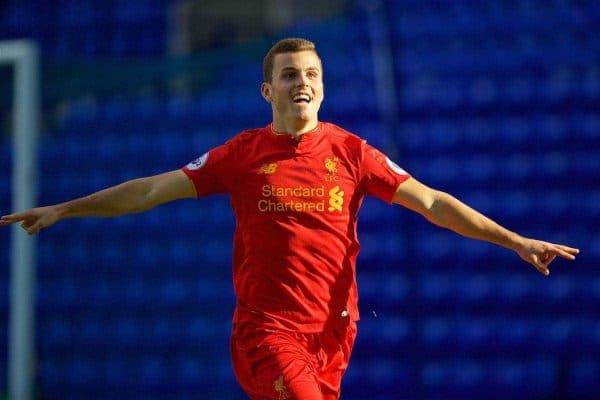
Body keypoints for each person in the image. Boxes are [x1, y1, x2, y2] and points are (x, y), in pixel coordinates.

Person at [1, 38, 579, 400]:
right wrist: (65, 208)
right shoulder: (241, 155)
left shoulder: (352, 153)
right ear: (267, 90)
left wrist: (513, 240)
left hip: (334, 334)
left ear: (322, 90)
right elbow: (153, 189)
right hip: (267, 333)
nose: (301, 82)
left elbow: (431, 202)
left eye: (311, 75)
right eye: (289, 74)